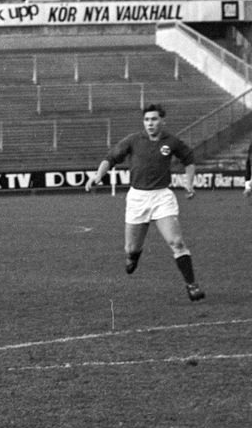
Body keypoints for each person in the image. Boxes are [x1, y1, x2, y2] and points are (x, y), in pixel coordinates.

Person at [84, 103, 204, 301]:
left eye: (154, 119)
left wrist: (189, 183)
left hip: (162, 197)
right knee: (131, 248)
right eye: (147, 120)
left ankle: (192, 286)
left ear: (162, 121)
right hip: (137, 198)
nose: (150, 123)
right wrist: (98, 175)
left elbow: (189, 160)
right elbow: (111, 158)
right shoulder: (133, 140)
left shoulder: (171, 142)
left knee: (177, 242)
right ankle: (134, 256)